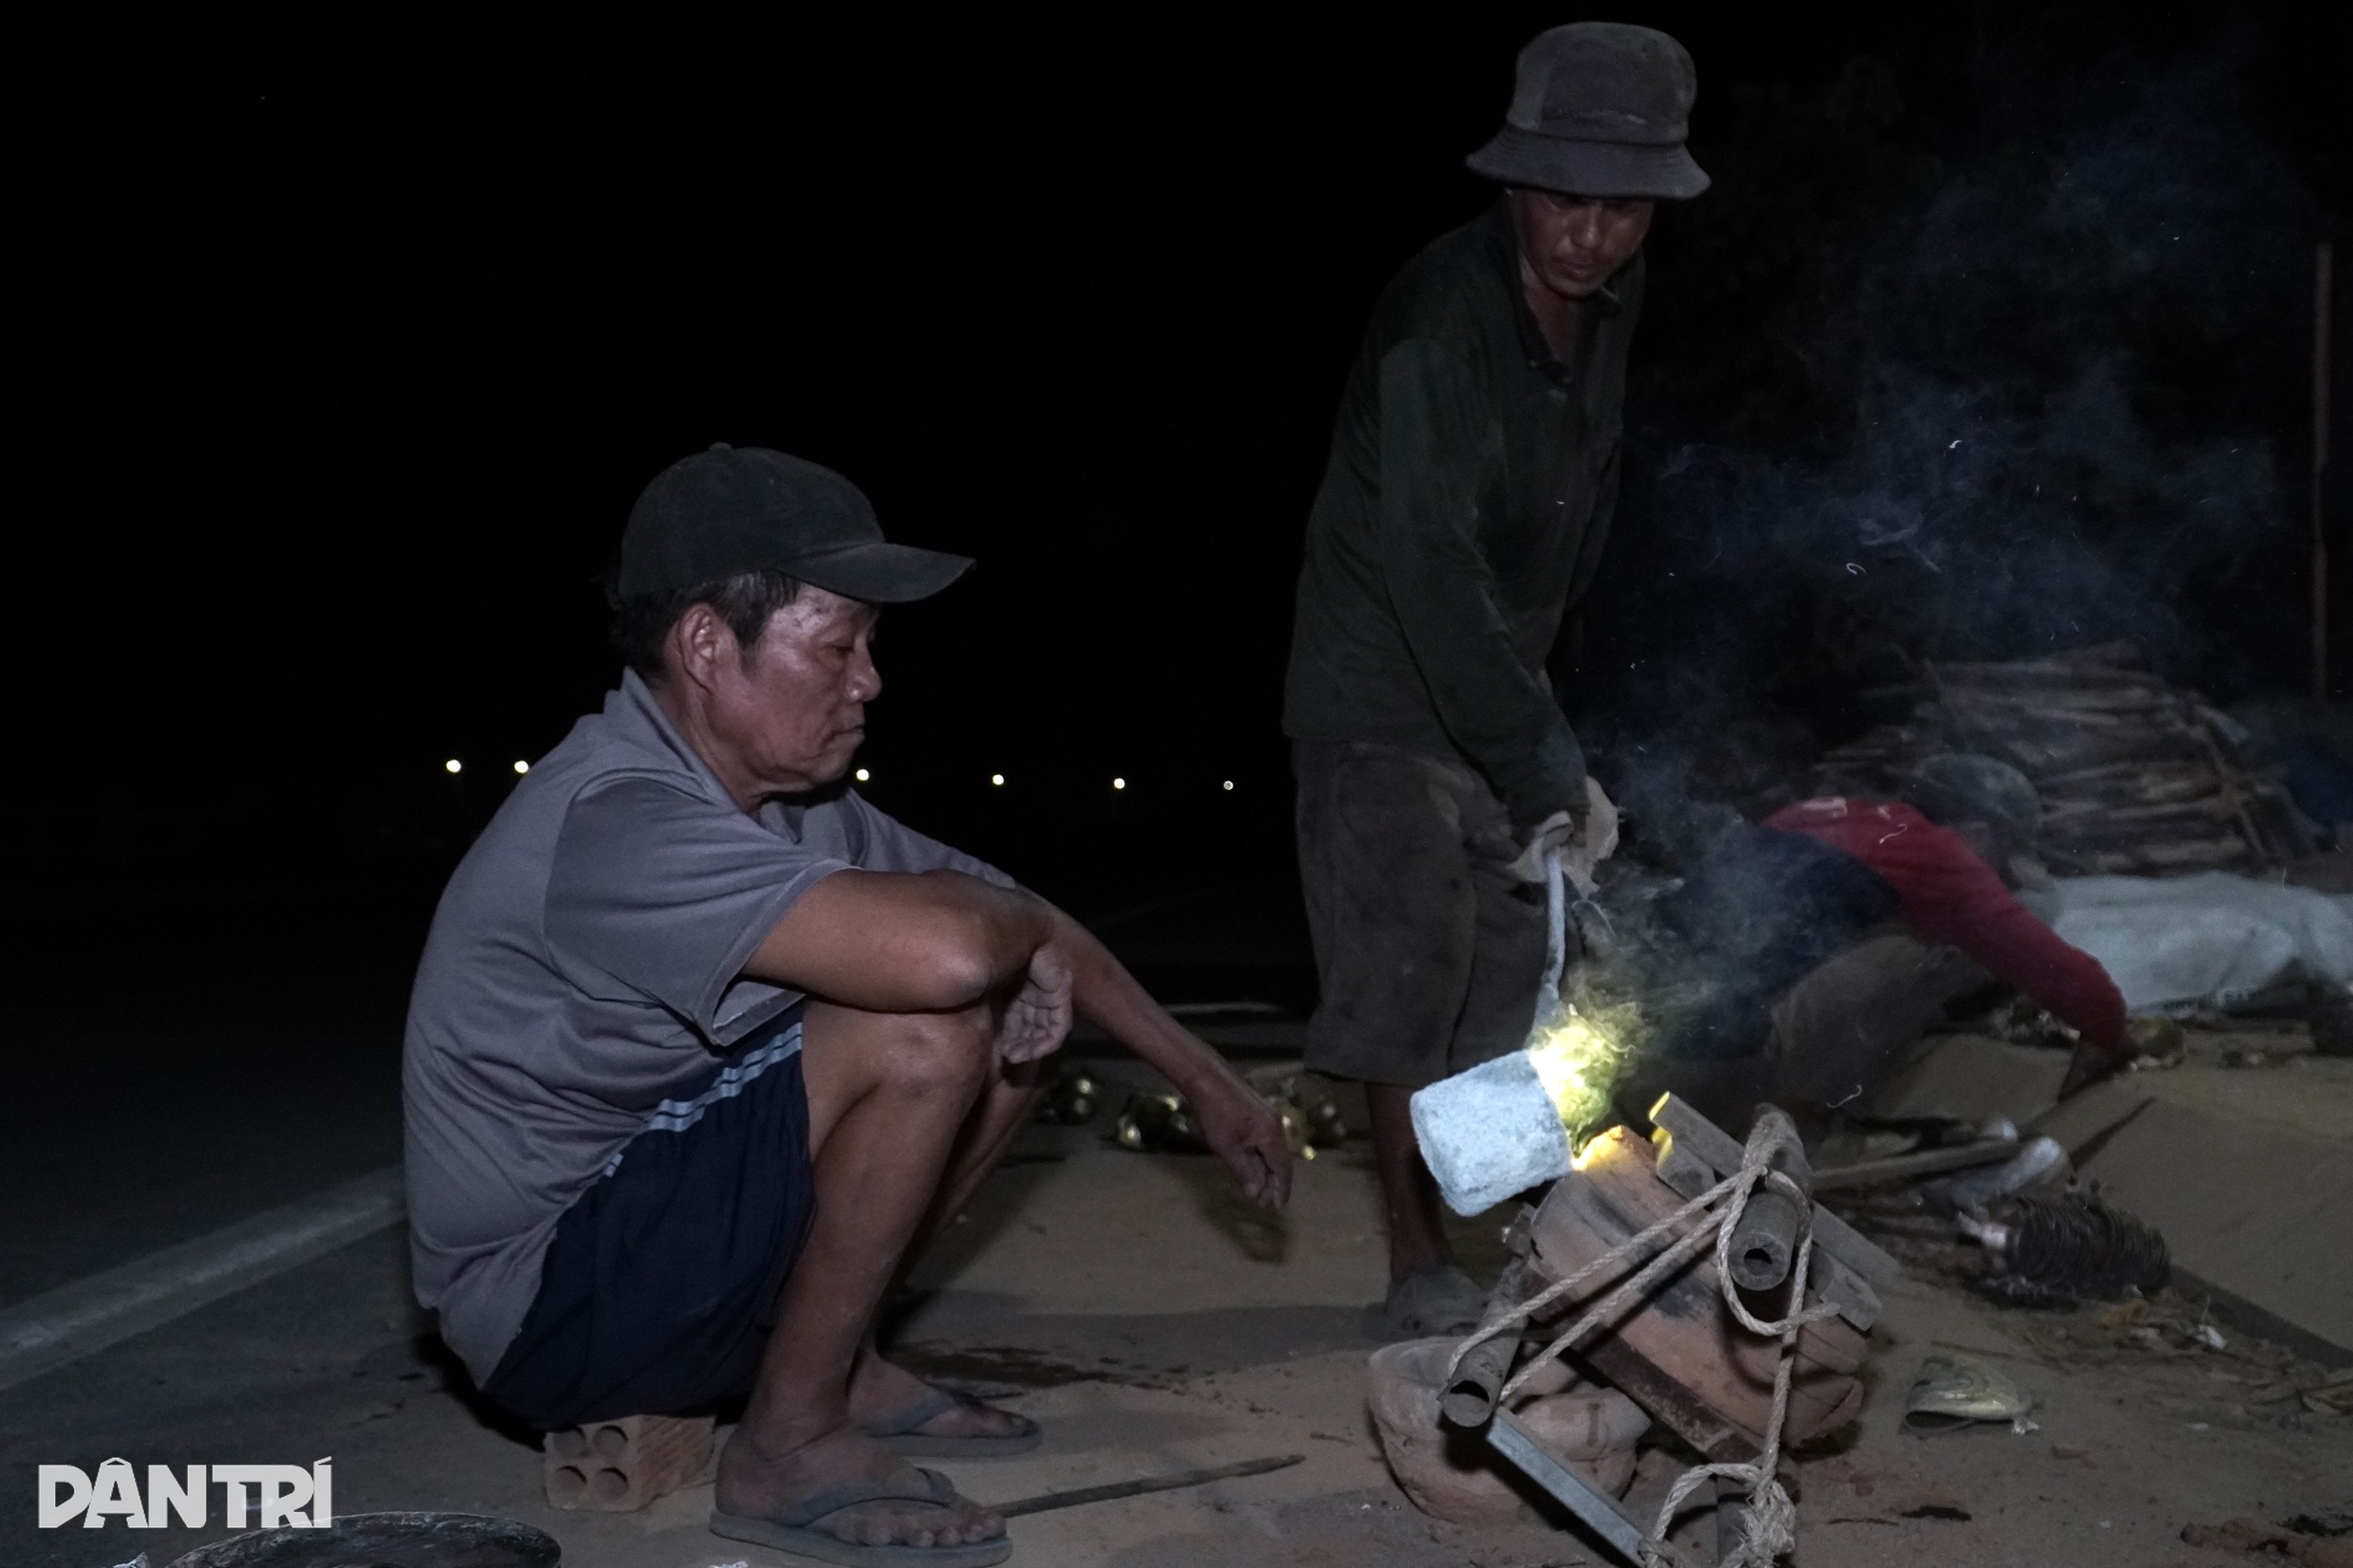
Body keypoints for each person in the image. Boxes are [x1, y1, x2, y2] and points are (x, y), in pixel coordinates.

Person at [402, 445, 1291, 1566]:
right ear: (706, 645)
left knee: (1008, 1019)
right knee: (921, 1021)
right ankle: (786, 1443)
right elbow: (964, 946)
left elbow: (1023, 919)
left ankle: (841, 1367)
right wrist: (1007, 936)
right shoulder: (620, 819)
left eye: (870, 646)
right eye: (837, 646)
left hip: (669, 1251)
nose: (869, 681)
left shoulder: (789, 806)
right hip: (553, 1315)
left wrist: (1206, 1080)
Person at [1280, 22, 1709, 1337]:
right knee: (1408, 964)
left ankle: (1524, 1232)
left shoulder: (1611, 309)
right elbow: (1427, 561)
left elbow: (1581, 510)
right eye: (1566, 203)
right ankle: (1415, 1259)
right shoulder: (1437, 325)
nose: (1591, 236)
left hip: (1494, 682)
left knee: (1519, 977)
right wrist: (1543, 760)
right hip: (1381, 689)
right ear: (1515, 187)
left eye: (1622, 209)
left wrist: (1541, 727)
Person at [1626, 754, 2130, 1132]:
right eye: (2005, 853)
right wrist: (2107, 1031)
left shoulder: (1824, 813)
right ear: (1977, 832)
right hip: (1705, 1071)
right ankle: (1813, 1108)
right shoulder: (1944, 860)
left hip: (1634, 1026)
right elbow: (2057, 968)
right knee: (1935, 946)